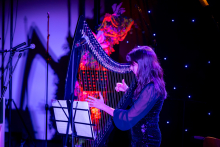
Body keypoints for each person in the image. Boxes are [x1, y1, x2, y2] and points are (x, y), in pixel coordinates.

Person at [87, 46, 167, 147]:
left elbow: (128, 116)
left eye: (133, 65)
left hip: (147, 140)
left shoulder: (152, 88)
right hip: (139, 137)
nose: (130, 68)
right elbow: (142, 104)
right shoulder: (149, 84)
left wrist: (103, 106)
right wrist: (127, 90)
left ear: (143, 65)